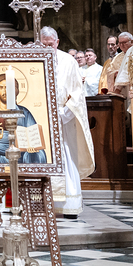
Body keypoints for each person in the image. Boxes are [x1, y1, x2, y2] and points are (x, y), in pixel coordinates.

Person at [41, 27, 95, 218]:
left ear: (57, 42)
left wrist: (63, 114)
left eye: (50, 44)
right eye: (44, 45)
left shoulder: (68, 61)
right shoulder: (34, 60)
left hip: (63, 116)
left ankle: (69, 204)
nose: (47, 48)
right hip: (40, 118)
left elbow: (77, 92)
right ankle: (43, 204)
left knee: (66, 157)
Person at [0, 73, 47, 164]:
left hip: (21, 157)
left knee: (38, 154)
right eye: (1, 87)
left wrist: (32, 149)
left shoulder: (23, 112)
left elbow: (35, 138)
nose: (5, 91)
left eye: (8, 87)